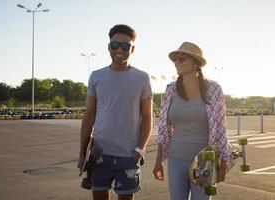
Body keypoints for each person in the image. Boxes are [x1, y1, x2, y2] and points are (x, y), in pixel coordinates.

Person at [78, 24, 153, 200]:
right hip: (99, 153)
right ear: (108, 47)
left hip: (128, 155)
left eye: (125, 45)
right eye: (115, 45)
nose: (120, 49)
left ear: (132, 49)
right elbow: (89, 116)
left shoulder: (142, 78)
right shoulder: (96, 76)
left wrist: (139, 150)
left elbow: (148, 117)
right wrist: (82, 153)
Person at [152, 42, 232, 200]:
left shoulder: (213, 89)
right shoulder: (170, 89)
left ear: (196, 63)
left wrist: (223, 163)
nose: (177, 62)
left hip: (204, 161)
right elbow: (163, 129)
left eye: (181, 59)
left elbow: (221, 128)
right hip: (176, 159)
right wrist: (158, 161)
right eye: (175, 59)